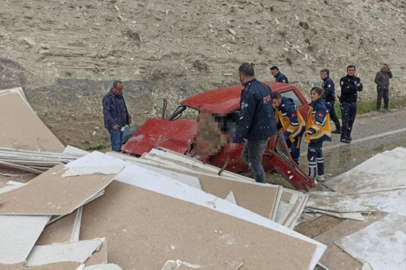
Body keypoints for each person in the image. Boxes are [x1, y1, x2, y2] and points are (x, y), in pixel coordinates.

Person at [230, 63, 276, 183]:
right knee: (247, 156)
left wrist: (238, 137)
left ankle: (261, 186)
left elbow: (246, 117)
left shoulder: (249, 92)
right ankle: (257, 177)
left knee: (255, 161)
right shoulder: (265, 87)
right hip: (266, 128)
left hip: (257, 133)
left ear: (242, 76)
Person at [305, 87, 332, 182]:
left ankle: (312, 177)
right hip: (319, 135)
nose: (311, 95)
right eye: (311, 93)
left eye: (314, 94)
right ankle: (321, 175)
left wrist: (311, 130)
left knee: (311, 156)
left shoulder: (320, 106)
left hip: (317, 135)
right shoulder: (314, 105)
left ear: (319, 95)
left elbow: (319, 121)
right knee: (319, 155)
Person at [272, 92, 305, 164]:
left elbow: (295, 123)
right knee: (285, 146)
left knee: (294, 146)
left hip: (298, 128)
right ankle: (288, 162)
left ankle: (296, 165)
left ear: (278, 99)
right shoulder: (277, 106)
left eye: (274, 102)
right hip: (288, 128)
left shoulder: (289, 107)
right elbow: (277, 121)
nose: (273, 105)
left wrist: (286, 134)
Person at [102, 80, 131, 152]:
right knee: (116, 144)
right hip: (114, 126)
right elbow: (106, 112)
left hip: (121, 124)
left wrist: (127, 117)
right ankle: (115, 158)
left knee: (120, 143)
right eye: (119, 89)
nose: (121, 91)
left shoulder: (120, 96)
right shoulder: (108, 98)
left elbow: (124, 108)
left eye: (122, 89)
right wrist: (113, 123)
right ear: (114, 88)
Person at [339, 65, 363, 144]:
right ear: (347, 71)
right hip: (345, 102)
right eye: (349, 70)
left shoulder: (357, 79)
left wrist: (352, 87)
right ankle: (343, 136)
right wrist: (354, 87)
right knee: (345, 120)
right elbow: (345, 90)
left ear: (354, 71)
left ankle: (348, 134)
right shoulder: (343, 79)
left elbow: (360, 88)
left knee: (351, 120)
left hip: (353, 102)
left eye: (352, 70)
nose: (351, 71)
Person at [320, 68, 341, 133]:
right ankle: (338, 128)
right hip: (327, 100)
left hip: (329, 100)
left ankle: (324, 128)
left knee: (325, 114)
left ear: (326, 74)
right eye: (321, 74)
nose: (321, 76)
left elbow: (329, 91)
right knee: (332, 115)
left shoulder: (329, 81)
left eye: (323, 74)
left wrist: (322, 96)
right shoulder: (325, 82)